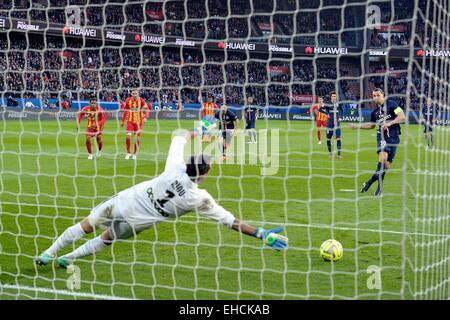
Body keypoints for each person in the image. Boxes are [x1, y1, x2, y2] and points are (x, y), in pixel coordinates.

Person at [34, 122, 288, 268]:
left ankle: (49, 252)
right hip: (138, 222)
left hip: (123, 202)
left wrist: (198, 130)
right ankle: (68, 258)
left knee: (87, 225)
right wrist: (260, 233)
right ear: (203, 174)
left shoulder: (174, 167)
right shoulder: (199, 198)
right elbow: (231, 222)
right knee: (106, 239)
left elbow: (178, 136)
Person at [349, 88, 405, 196]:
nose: (375, 97)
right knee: (382, 159)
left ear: (382, 95)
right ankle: (380, 187)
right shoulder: (374, 113)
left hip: (394, 138)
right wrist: (357, 126)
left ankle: (368, 183)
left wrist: (390, 123)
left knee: (386, 165)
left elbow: (402, 116)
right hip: (382, 137)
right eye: (373, 96)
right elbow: (371, 125)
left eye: (377, 95)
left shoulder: (391, 104)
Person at [121, 90, 151, 160]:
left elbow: (148, 109)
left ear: (138, 94)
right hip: (130, 121)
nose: (134, 94)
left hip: (138, 122)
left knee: (137, 137)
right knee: (128, 136)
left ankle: (135, 153)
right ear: (131, 94)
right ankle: (128, 153)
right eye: (133, 93)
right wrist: (122, 121)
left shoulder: (141, 100)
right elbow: (126, 111)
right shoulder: (128, 100)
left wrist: (145, 117)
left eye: (136, 93)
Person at [319, 91, 343, 159]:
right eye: (332, 96)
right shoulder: (328, 104)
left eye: (335, 96)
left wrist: (340, 117)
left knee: (338, 138)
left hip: (337, 124)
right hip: (330, 124)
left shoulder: (339, 104)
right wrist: (326, 113)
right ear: (330, 97)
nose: (333, 97)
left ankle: (339, 154)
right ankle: (330, 154)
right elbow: (320, 109)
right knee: (328, 139)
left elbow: (341, 110)